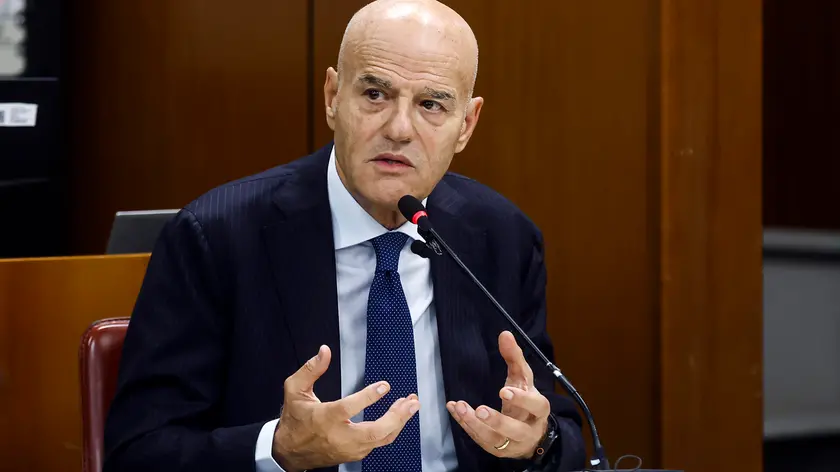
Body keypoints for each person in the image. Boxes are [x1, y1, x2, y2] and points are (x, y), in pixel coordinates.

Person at [103, 0, 586, 471]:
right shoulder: (216, 237)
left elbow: (558, 430)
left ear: (466, 124)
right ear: (333, 96)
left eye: (431, 104)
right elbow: (138, 451)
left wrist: (535, 443)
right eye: (375, 94)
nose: (399, 129)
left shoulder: (502, 237)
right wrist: (279, 449)